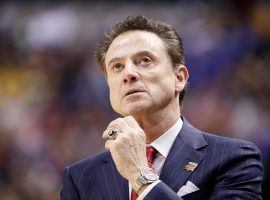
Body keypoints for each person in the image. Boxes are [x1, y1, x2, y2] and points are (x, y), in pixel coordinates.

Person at [60, 15, 263, 200]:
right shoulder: (79, 177)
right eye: (117, 67)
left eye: (144, 60)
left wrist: (141, 175)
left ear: (179, 77)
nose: (128, 73)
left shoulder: (234, 158)